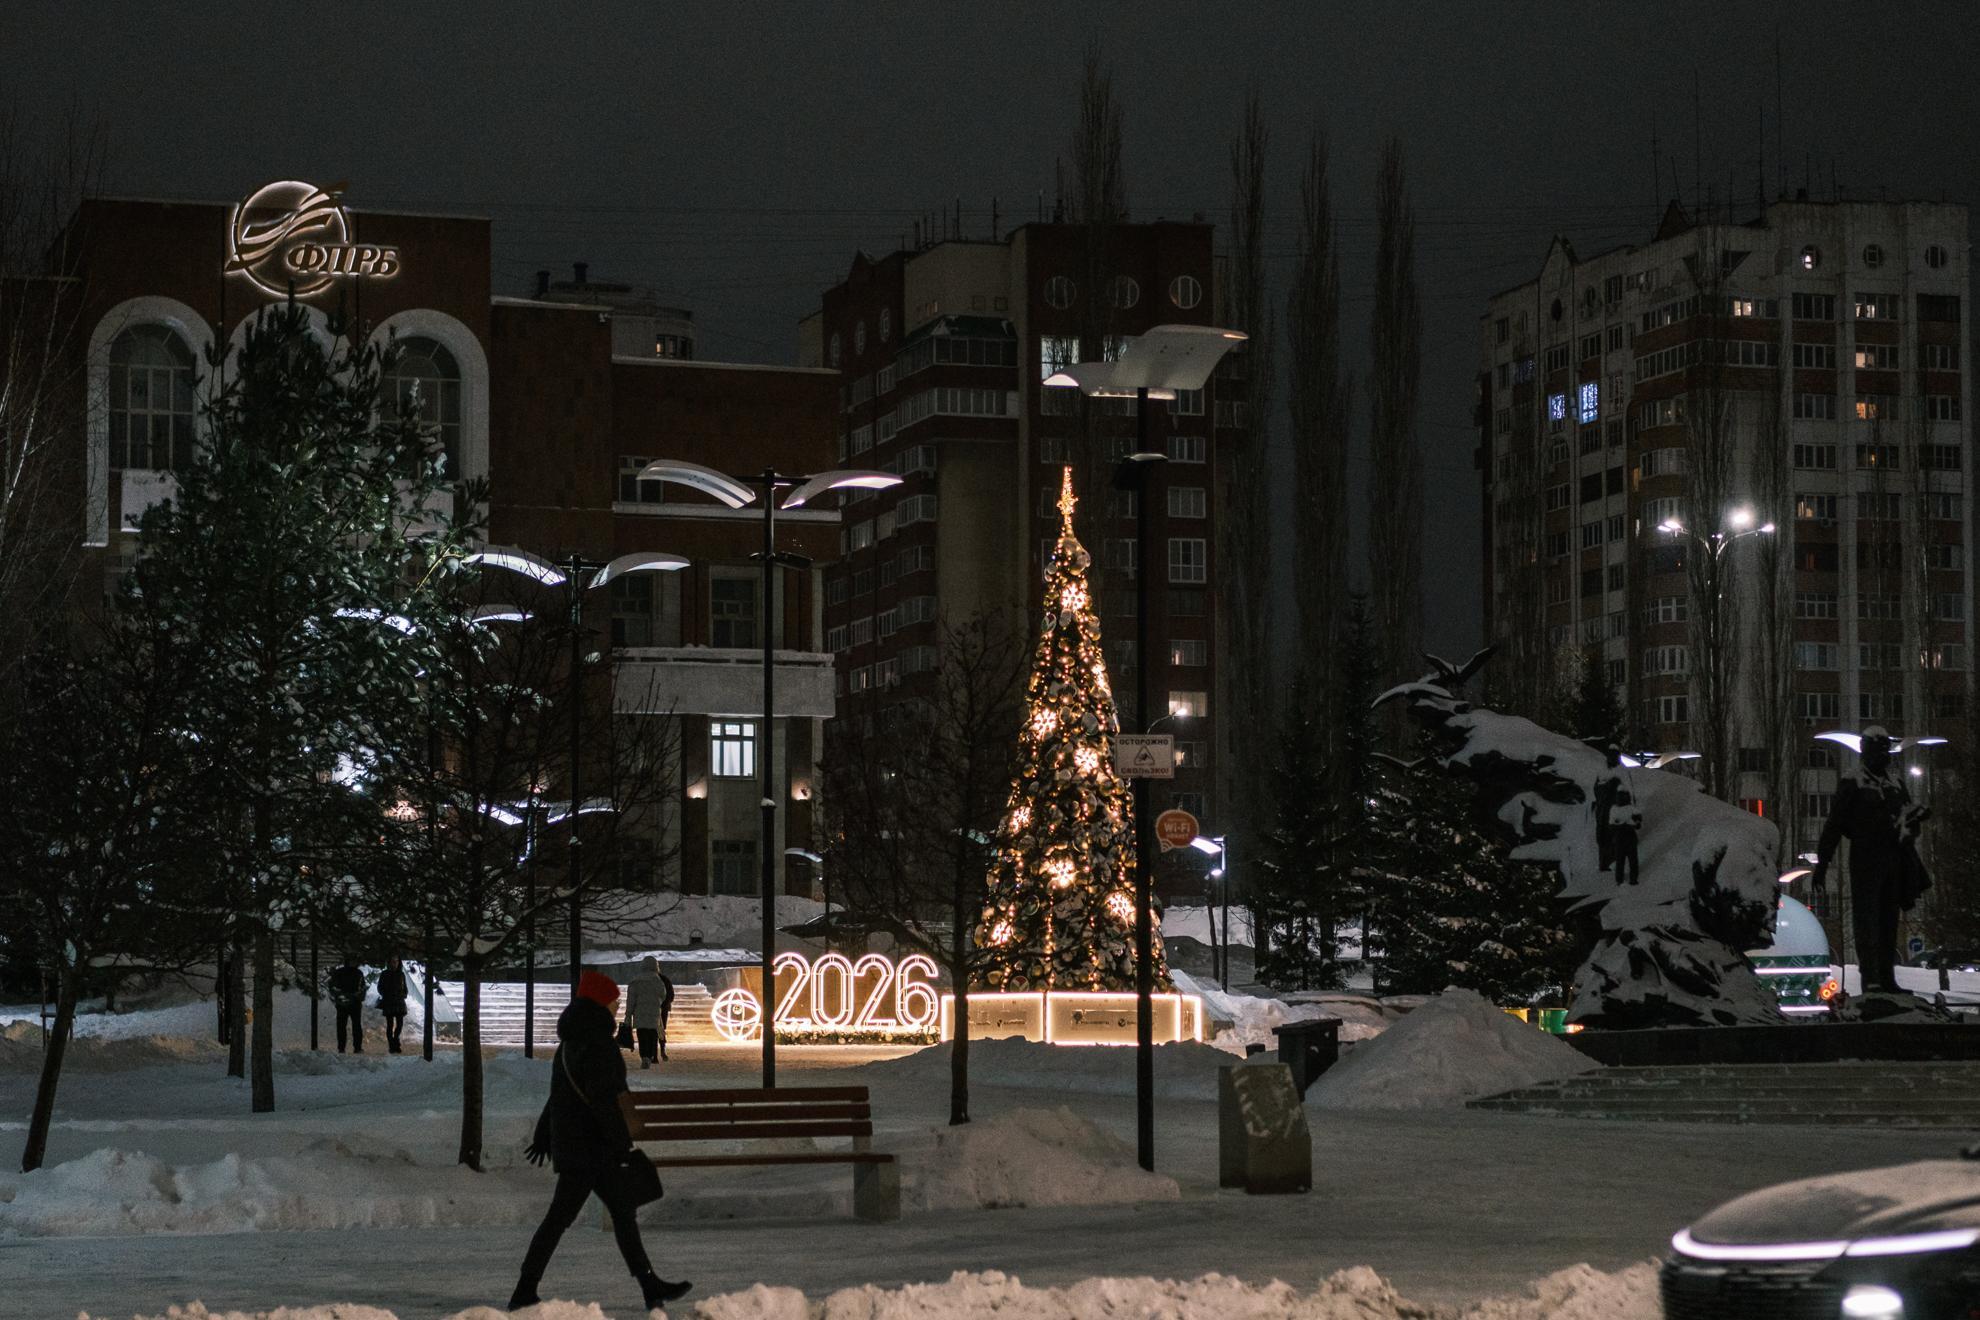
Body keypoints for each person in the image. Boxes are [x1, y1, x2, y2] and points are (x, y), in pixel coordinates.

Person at [511, 970, 689, 1313]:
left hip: (580, 1148)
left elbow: (559, 1095)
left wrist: (544, 1134)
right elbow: (606, 1100)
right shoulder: (599, 1044)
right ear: (600, 1003)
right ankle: (524, 1289)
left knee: (620, 1215)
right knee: (560, 1219)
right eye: (614, 1001)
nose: (617, 1006)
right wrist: (621, 1143)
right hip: (592, 1151)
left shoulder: (571, 1043)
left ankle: (651, 1286)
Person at [1812, 726, 1932, 995]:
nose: (1884, 755)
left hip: (1893, 860)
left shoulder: (1895, 783)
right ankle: (1871, 979)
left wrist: (1912, 821)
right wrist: (1822, 864)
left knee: (1889, 921)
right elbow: (1834, 825)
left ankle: (1887, 977)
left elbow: (1907, 816)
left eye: (1885, 750)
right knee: (1867, 920)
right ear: (1866, 752)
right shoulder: (1853, 782)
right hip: (1866, 861)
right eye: (1878, 750)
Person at [623, 957, 676, 1069]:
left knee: (642, 1035)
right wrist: (657, 1003)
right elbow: (663, 995)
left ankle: (644, 1057)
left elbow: (631, 1000)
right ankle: (652, 1055)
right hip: (654, 1012)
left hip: (640, 1013)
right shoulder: (658, 981)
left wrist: (628, 1015)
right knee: (652, 1034)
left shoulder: (636, 981)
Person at [328, 956, 366, 1054]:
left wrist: (339, 996)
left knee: (345, 1026)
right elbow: (362, 988)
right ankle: (353, 1047)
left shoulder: (341, 972)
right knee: (352, 1025)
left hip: (345, 1002)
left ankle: (345, 1048)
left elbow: (332, 986)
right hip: (351, 1002)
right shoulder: (357, 973)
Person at [376, 957, 409, 1054]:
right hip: (389, 1001)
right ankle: (392, 1044)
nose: (395, 964)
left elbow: (405, 987)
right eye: (393, 962)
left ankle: (395, 1041)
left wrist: (404, 994)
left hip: (399, 1001)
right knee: (390, 1024)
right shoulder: (385, 974)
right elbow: (380, 987)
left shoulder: (401, 974)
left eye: (396, 962)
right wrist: (386, 994)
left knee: (399, 1024)